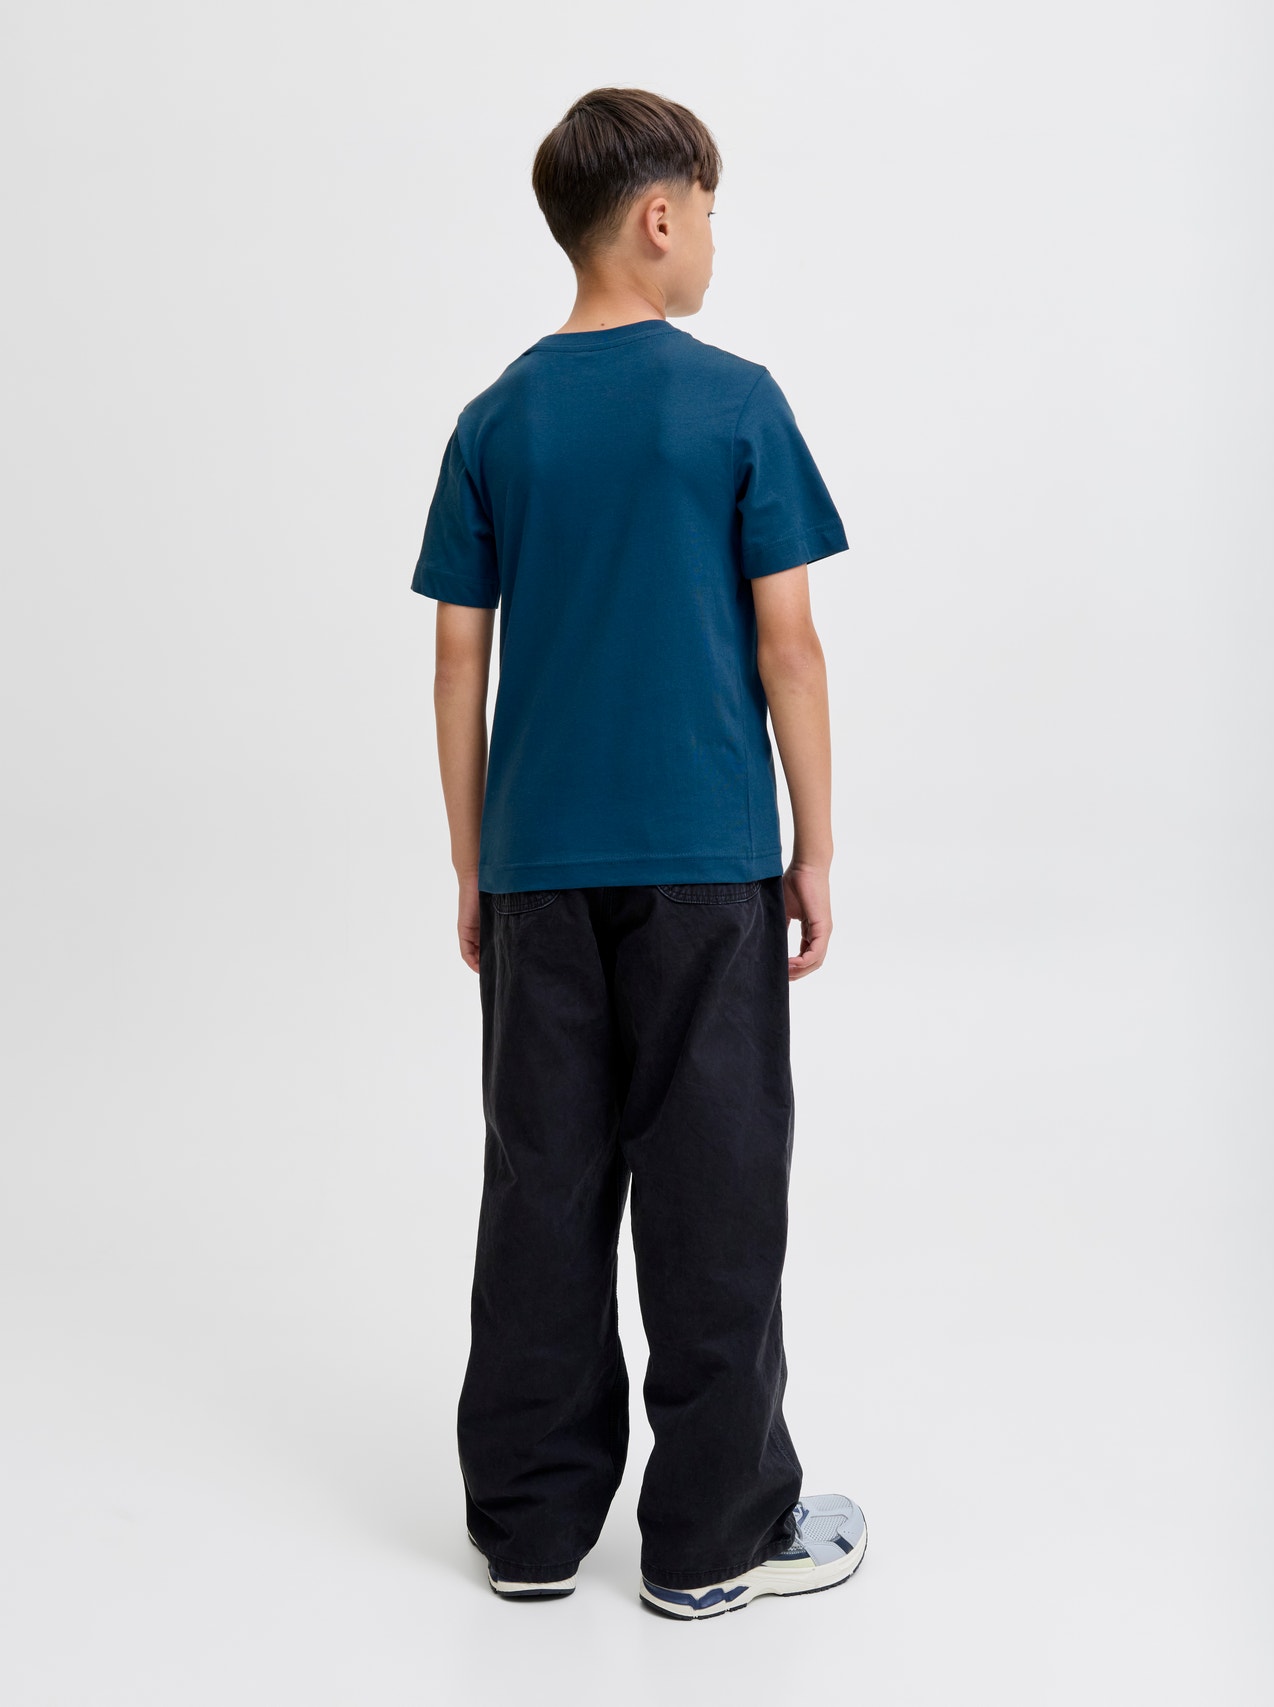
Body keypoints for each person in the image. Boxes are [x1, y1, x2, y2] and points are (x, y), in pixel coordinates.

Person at [409, 86, 867, 1620]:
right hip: (703, 864)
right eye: (712, 213)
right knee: (712, 1190)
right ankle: (713, 1542)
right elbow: (790, 649)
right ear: (660, 216)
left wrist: (474, 864)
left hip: (537, 869)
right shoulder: (735, 403)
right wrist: (813, 844)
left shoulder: (495, 419)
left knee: (541, 1188)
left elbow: (456, 662)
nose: (715, 240)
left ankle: (531, 1533)